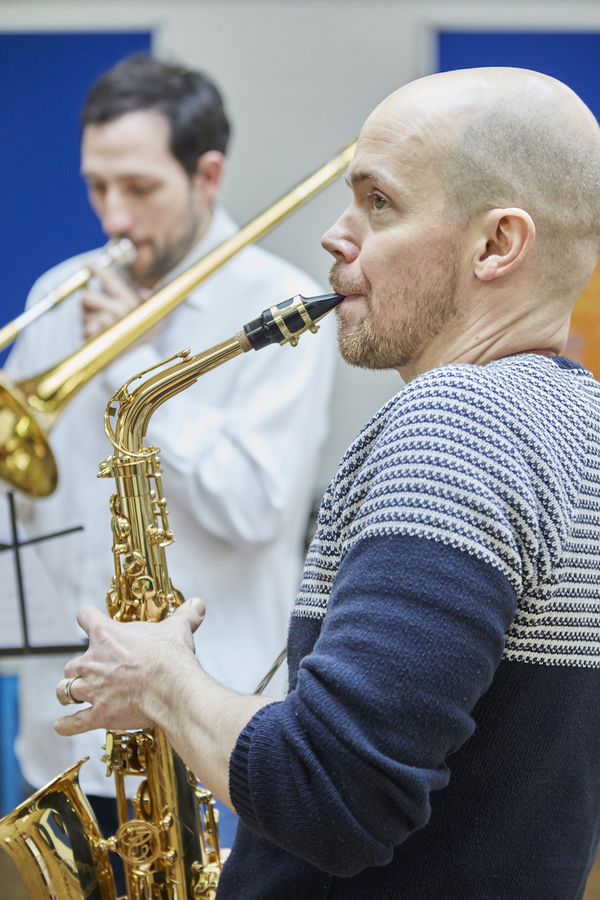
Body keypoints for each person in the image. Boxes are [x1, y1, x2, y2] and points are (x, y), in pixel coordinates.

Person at [56, 66, 600, 898]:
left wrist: (162, 678)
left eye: (379, 203)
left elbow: (330, 796)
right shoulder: (578, 422)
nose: (335, 235)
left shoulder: (458, 423)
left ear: (497, 245)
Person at [6, 54, 335, 848]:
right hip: (60, 740)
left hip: (208, 746)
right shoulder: (60, 290)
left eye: (140, 188)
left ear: (207, 174)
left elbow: (256, 510)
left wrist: (130, 362)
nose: (114, 216)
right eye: (97, 186)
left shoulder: (277, 307)